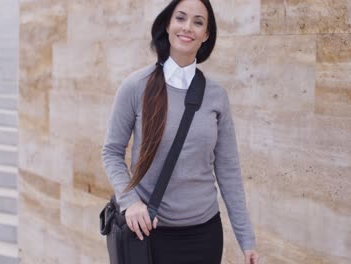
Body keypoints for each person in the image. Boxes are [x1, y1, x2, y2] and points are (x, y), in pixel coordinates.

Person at [102, 0, 258, 263]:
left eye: (198, 22)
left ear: (206, 35)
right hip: (150, 234)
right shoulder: (135, 86)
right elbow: (111, 152)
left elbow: (228, 170)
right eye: (181, 18)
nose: (188, 27)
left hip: (204, 235)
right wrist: (130, 201)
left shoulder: (216, 95)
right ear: (167, 24)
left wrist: (247, 240)